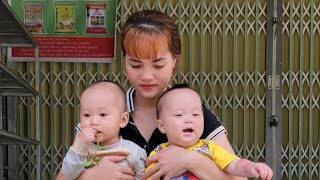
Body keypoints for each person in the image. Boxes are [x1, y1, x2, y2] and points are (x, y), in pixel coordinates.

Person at [58, 9, 247, 180]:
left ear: (174, 60)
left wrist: (191, 161)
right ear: (124, 62)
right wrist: (90, 177)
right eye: (136, 65)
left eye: (158, 65)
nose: (147, 76)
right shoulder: (102, 113)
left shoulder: (195, 115)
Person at [146, 84, 273, 180]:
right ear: (161, 126)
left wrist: (251, 167)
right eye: (179, 115)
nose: (189, 120)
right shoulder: (158, 154)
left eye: (195, 114)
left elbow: (234, 164)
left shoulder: (209, 148)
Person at [57, 81, 147, 180]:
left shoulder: (134, 151)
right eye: (87, 115)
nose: (93, 121)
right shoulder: (82, 151)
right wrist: (80, 146)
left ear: (123, 120)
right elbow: (68, 174)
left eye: (103, 115)